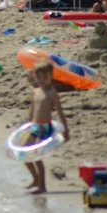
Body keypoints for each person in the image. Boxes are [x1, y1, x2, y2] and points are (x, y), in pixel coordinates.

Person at [22, 60, 70, 194]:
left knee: (36, 157)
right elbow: (32, 109)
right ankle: (35, 179)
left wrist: (65, 129)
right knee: (25, 155)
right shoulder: (36, 91)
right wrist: (28, 124)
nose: (42, 81)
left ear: (51, 77)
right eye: (39, 78)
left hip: (45, 127)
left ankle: (42, 185)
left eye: (45, 77)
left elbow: (60, 111)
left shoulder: (52, 92)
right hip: (34, 126)